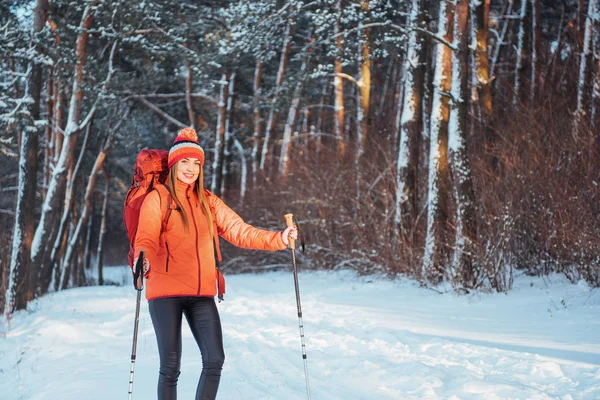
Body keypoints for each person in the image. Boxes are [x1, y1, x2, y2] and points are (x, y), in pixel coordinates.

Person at [133, 127, 297, 400]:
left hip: (201, 293)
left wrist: (279, 238)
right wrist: (142, 257)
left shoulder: (207, 201)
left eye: (196, 163)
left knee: (214, 359)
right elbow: (146, 236)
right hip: (165, 292)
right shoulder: (158, 197)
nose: (191, 168)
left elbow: (241, 231)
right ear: (174, 164)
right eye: (185, 161)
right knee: (171, 367)